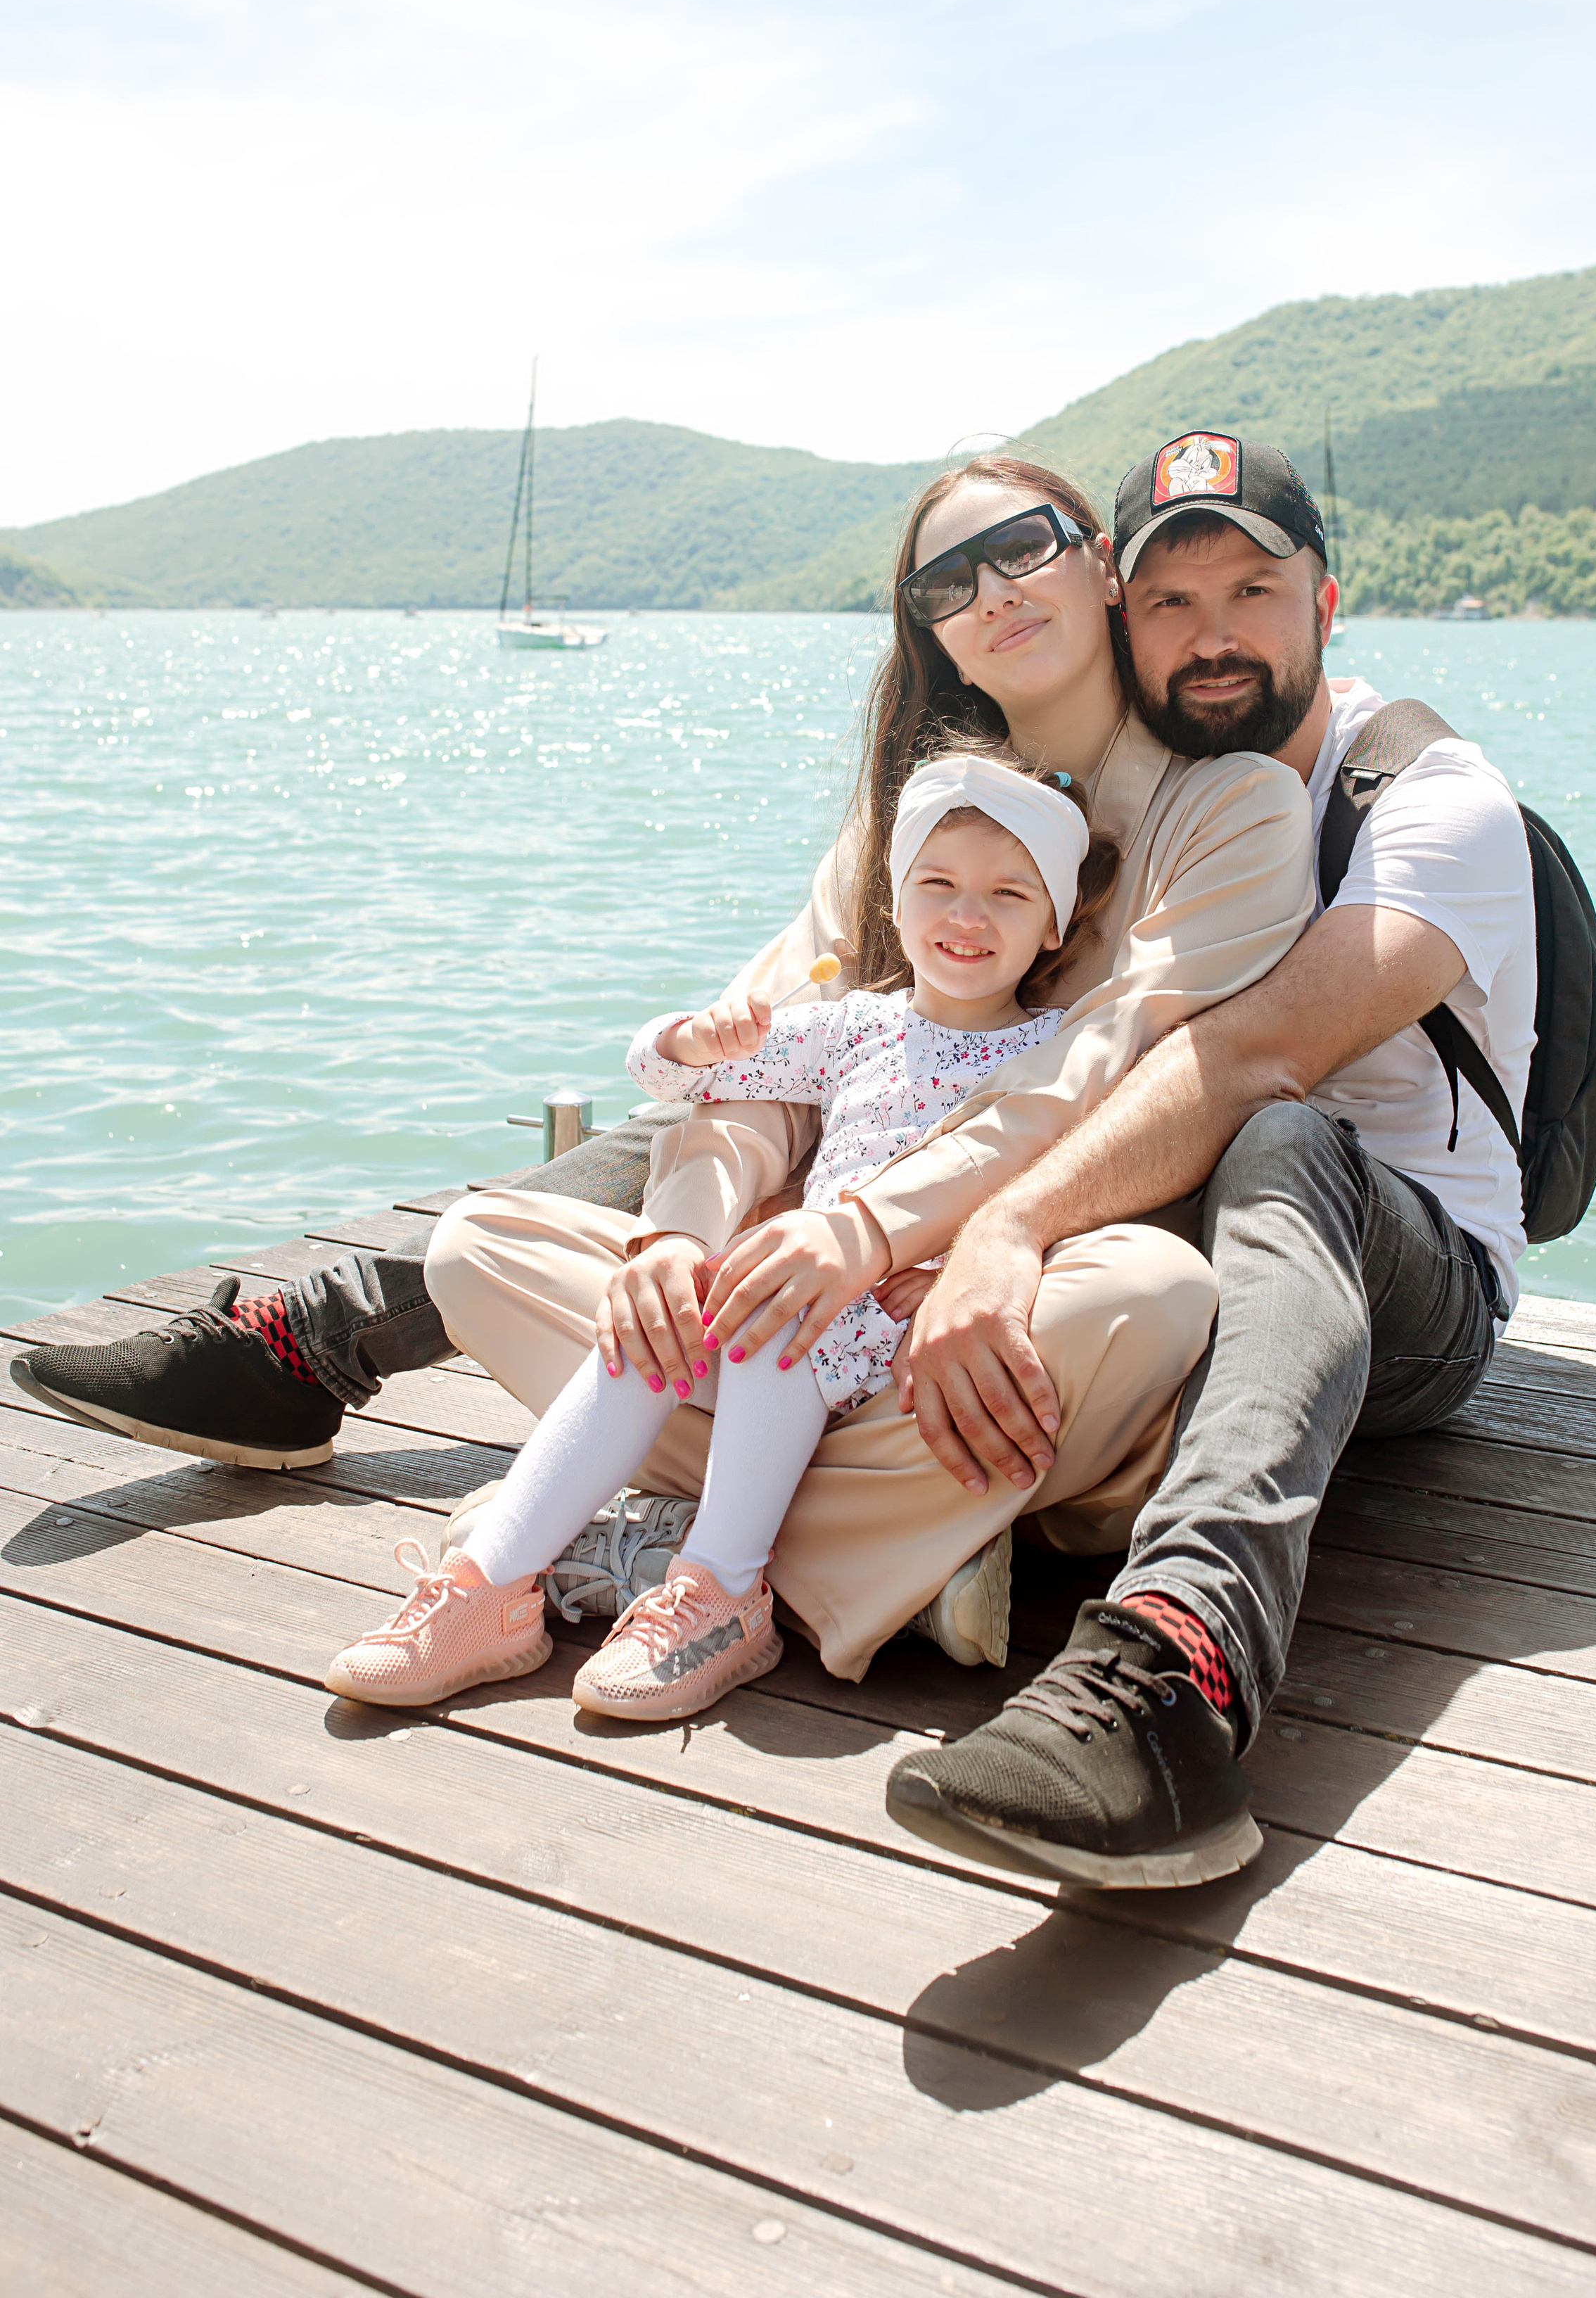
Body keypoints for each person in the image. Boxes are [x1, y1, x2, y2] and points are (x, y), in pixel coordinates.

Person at [19, 450, 1316, 1675]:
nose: (991, 594)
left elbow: (1095, 1070)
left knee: (1149, 1293)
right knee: (485, 1245)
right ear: (928, 630)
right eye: (945, 582)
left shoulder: (1233, 808)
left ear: (1099, 564)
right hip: (809, 1326)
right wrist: (678, 1242)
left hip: (998, 1295)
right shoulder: (899, 822)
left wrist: (877, 1230)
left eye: (1020, 550)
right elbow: (748, 1057)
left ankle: (640, 1536)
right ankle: (860, 1559)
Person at [876, 428, 1533, 1890]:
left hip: (1409, 1290)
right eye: (1170, 602)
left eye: (1251, 588)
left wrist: (1001, 1227)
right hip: (1189, 1256)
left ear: (1325, 599)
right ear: (1120, 615)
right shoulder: (1123, 797)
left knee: (1284, 1137)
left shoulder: (1435, 804)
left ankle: (1173, 1684)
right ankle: (361, 1313)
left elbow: (1251, 1059)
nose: (1213, 633)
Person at [325, 750, 1218, 1718]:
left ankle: (723, 1587)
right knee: (655, 1331)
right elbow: (679, 1082)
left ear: (1054, 922)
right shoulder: (854, 1027)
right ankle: (487, 1587)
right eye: (940, 885)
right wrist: (691, 1039)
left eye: (1009, 894)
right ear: (896, 899)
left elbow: (1077, 1185)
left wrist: (969, 1266)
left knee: (770, 1301)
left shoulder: (1053, 1044)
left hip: (905, 1342)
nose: (968, 917)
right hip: (798, 1327)